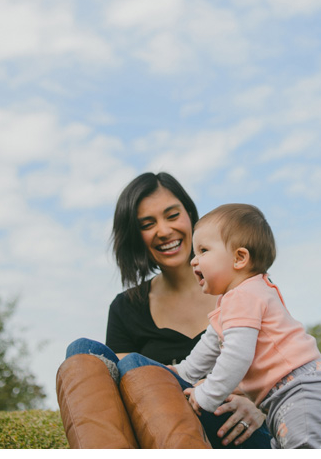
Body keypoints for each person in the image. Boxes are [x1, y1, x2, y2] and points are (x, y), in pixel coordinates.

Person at [55, 173, 272, 449]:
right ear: (136, 236)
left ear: (190, 216)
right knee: (82, 350)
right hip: (160, 434)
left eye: (172, 215)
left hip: (233, 428)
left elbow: (289, 361)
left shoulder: (244, 285)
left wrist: (260, 406)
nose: (164, 230)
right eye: (148, 224)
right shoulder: (126, 308)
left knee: (136, 365)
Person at [170, 203, 321, 448]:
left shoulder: (244, 295)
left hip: (301, 389)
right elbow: (208, 348)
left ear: (239, 258)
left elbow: (236, 355)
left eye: (203, 250)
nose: (193, 261)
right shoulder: (233, 301)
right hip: (287, 395)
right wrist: (181, 373)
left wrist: (207, 395)